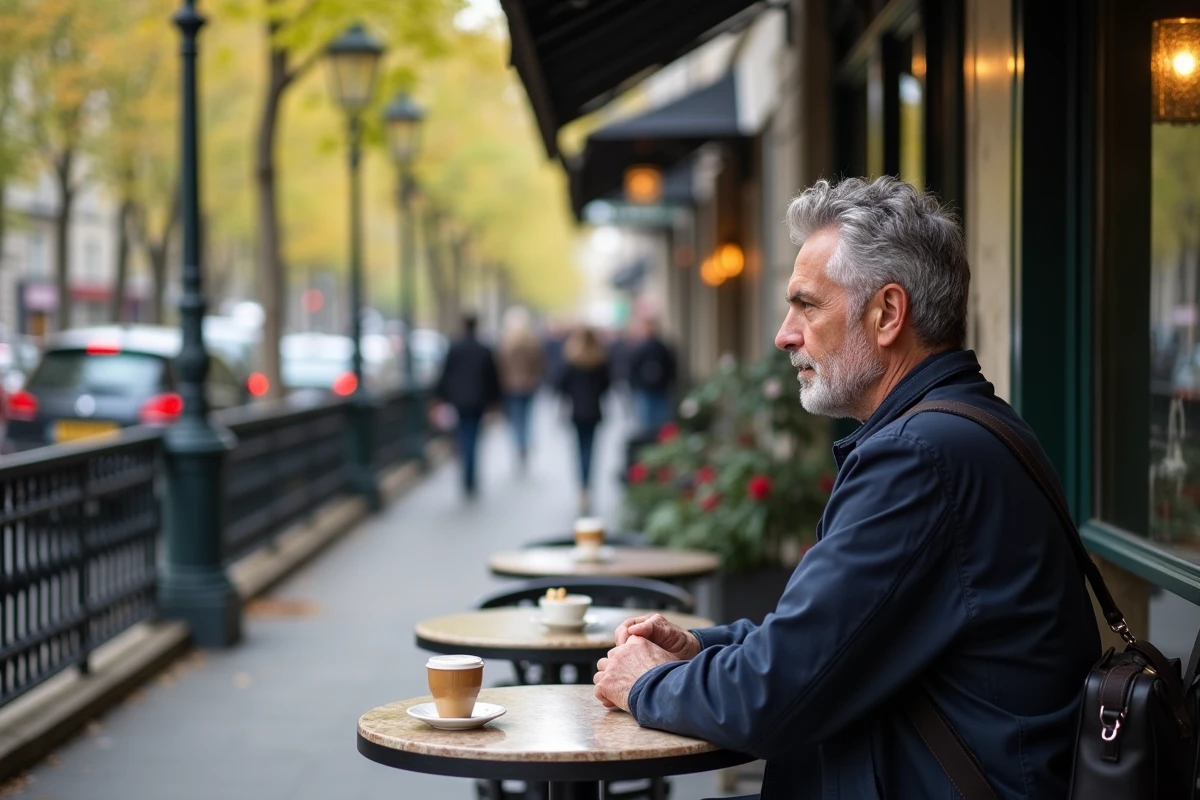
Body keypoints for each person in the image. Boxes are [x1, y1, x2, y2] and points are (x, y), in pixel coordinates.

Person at [592, 177, 1100, 798]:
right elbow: (835, 638)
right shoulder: (966, 429)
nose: (785, 333)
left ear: (887, 313)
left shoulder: (919, 457)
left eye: (807, 305)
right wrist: (700, 646)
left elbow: (773, 697)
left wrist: (646, 683)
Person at [434, 312, 500, 499]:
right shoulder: (483, 348)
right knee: (473, 438)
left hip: (460, 400)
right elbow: (492, 377)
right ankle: (471, 476)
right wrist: (495, 401)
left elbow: (445, 374)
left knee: (464, 436)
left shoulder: (455, 347)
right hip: (478, 400)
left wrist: (440, 397)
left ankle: (467, 475)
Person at [556, 326, 611, 514]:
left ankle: (582, 487)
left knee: (579, 449)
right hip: (594, 411)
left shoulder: (572, 361)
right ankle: (587, 487)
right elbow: (606, 385)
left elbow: (561, 385)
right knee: (591, 449)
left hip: (577, 411)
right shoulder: (599, 360)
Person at [496, 306, 546, 470]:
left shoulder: (505, 344)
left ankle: (519, 444)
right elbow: (539, 364)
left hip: (511, 387)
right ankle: (524, 443)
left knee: (515, 419)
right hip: (528, 386)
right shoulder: (531, 343)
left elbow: (499, 366)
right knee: (527, 417)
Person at [626, 316, 677, 436]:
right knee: (646, 425)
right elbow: (633, 370)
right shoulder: (640, 349)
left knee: (661, 425)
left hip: (660, 391)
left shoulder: (662, 348)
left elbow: (671, 368)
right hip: (645, 392)